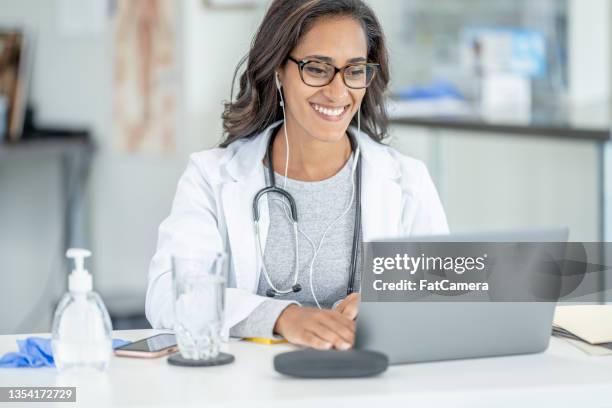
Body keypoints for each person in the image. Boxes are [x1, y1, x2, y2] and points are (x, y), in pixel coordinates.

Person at [146, 0, 448, 351]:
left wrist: (388, 304)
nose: (338, 92)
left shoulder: (406, 179)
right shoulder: (211, 176)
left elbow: (445, 290)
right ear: (278, 70)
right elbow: (168, 292)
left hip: (370, 384)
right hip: (251, 389)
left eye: (354, 70)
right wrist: (283, 317)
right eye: (317, 69)